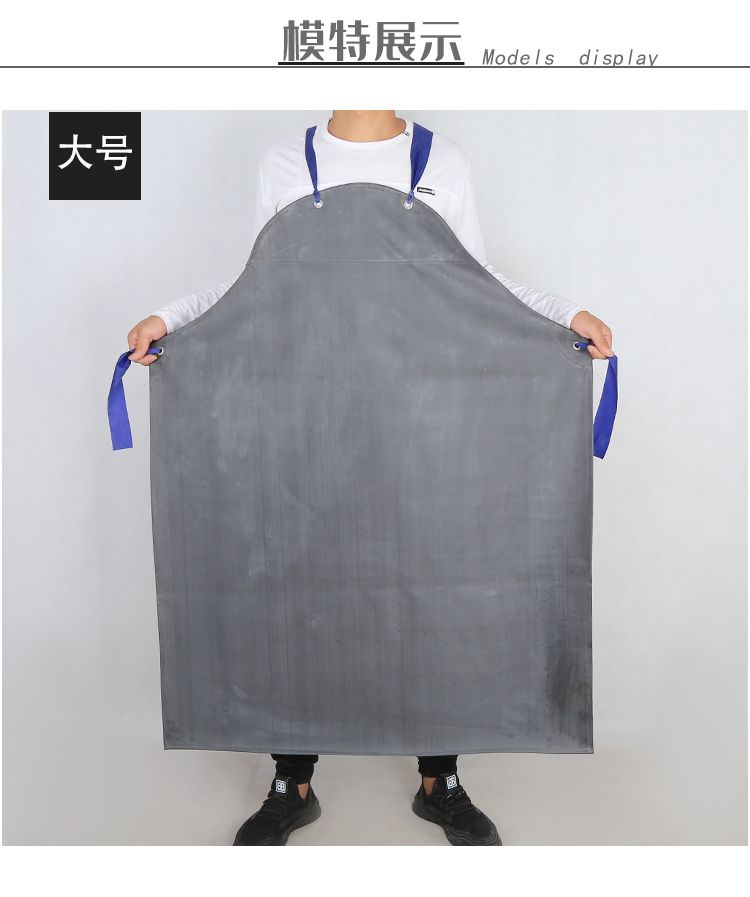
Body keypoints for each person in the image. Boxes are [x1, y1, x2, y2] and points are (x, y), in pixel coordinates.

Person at [127, 111, 614, 847]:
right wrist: (170, 318)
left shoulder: (441, 160)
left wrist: (564, 314)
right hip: (305, 409)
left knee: (429, 582)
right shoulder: (286, 162)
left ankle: (439, 779)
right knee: (294, 586)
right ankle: (292, 781)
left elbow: (478, 285)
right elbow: (250, 285)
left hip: (421, 416)